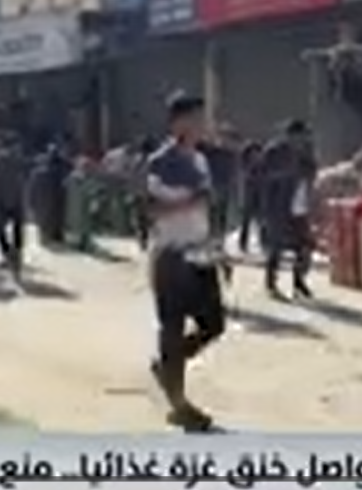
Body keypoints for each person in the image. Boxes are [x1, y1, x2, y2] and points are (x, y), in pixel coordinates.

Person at [146, 92, 227, 430]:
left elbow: (206, 207)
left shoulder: (200, 160)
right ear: (177, 122)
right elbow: (152, 209)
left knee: (214, 324)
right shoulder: (161, 162)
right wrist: (191, 201)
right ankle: (179, 404)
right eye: (195, 119)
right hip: (171, 254)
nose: (201, 125)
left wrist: (218, 246)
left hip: (199, 251)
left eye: (202, 118)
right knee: (173, 326)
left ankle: (168, 365)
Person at [261, 119, 318, 299]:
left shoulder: (306, 151)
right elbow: (262, 176)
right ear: (290, 135)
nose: (302, 139)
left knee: (305, 246)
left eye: (304, 136)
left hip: (299, 205)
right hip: (279, 206)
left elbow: (312, 170)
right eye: (299, 135)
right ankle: (271, 282)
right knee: (276, 247)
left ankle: (299, 281)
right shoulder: (274, 151)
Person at [0, 133, 30, 282]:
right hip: (14, 199)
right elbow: (25, 182)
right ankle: (15, 254)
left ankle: (8, 252)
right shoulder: (20, 161)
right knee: (16, 229)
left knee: (1, 228)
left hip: (3, 199)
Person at [236, 141, 265, 254]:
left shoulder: (262, 166)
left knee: (260, 220)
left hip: (258, 193)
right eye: (253, 154)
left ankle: (262, 242)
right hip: (250, 194)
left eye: (257, 154)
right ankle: (243, 243)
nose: (256, 157)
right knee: (246, 221)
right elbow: (245, 178)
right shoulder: (245, 166)